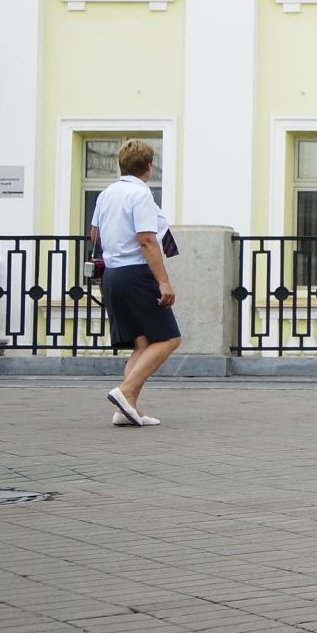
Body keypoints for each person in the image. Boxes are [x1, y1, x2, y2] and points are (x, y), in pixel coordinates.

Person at [89, 138, 180, 427]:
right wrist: (164, 282)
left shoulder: (107, 194)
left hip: (112, 274)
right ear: (149, 167)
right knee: (169, 339)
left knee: (141, 343)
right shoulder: (140, 196)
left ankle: (126, 410)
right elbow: (147, 240)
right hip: (136, 274)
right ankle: (125, 391)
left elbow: (95, 234)